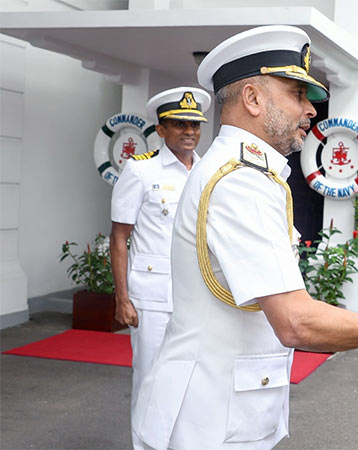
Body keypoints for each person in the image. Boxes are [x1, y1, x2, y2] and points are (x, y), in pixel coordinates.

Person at [131, 25, 358, 450]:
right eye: (297, 94)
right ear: (253, 99)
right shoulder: (242, 182)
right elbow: (295, 322)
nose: (311, 110)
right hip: (208, 421)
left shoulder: (248, 173)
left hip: (217, 412)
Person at [109, 86, 210, 450]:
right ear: (161, 129)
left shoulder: (207, 173)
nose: (190, 132)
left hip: (197, 297)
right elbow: (119, 237)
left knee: (192, 381)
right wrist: (122, 298)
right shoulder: (140, 170)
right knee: (150, 381)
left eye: (195, 125)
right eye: (179, 124)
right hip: (151, 297)